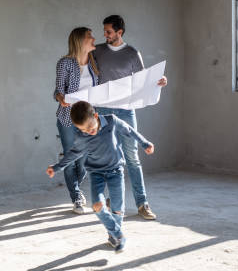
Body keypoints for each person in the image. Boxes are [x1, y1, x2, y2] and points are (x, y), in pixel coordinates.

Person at [46, 101, 155, 253]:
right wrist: (56, 167)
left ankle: (113, 236)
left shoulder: (111, 120)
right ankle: (119, 235)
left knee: (118, 208)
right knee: (97, 206)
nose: (88, 132)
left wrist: (144, 143)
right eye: (83, 129)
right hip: (96, 174)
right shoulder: (82, 135)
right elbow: (73, 154)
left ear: (96, 116)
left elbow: (129, 130)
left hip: (116, 171)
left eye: (90, 127)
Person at [93, 15, 167, 220]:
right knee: (107, 158)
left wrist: (158, 82)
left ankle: (142, 203)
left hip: (126, 111)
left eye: (108, 32)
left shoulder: (132, 53)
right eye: (104, 31)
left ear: (119, 32)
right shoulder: (97, 51)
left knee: (132, 157)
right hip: (102, 111)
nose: (105, 35)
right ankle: (111, 198)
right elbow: (84, 72)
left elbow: (144, 80)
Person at [54, 27, 99, 214]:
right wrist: (61, 98)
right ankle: (76, 197)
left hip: (87, 118)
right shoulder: (65, 63)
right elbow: (57, 90)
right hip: (67, 118)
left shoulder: (94, 63)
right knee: (70, 157)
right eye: (90, 36)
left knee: (84, 160)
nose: (94, 38)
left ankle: (76, 187)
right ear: (80, 40)